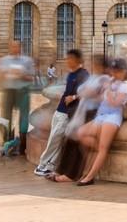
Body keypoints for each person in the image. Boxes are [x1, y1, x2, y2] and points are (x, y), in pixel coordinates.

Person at [72, 58, 127, 185]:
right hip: (101, 115)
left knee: (103, 147)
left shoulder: (125, 87)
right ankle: (102, 153)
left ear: (124, 72)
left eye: (118, 71)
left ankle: (89, 177)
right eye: (114, 70)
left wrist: (109, 89)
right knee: (81, 133)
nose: (115, 74)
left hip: (112, 117)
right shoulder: (109, 82)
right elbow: (99, 97)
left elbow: (114, 103)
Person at [34, 49, 88, 179]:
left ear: (77, 60)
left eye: (70, 58)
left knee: (55, 139)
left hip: (67, 113)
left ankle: (43, 165)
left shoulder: (83, 75)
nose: (67, 61)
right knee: (55, 139)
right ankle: (49, 166)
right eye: (67, 58)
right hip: (60, 110)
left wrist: (74, 97)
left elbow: (87, 92)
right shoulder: (71, 74)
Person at [0, 41, 37, 159]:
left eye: (17, 46)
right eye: (13, 46)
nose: (15, 48)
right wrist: (3, 74)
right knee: (6, 118)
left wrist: (21, 75)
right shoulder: (4, 60)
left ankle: (22, 145)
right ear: (10, 48)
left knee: (24, 118)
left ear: (20, 48)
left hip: (23, 91)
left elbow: (32, 78)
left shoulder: (27, 61)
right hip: (8, 91)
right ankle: (7, 143)